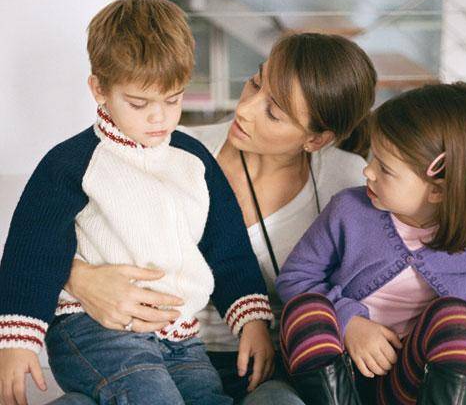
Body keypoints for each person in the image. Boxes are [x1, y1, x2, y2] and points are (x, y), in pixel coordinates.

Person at [62, 32, 378, 404]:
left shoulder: (345, 181)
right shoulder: (169, 149)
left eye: (273, 113)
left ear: (315, 140)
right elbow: (42, 237)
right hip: (151, 356)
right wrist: (79, 278)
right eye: (255, 83)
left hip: (269, 372)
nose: (244, 109)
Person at [0, 0, 275, 405]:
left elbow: (227, 247)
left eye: (173, 99)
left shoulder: (194, 160)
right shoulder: (70, 163)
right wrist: (17, 343)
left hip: (181, 339)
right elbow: (31, 252)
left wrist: (252, 321)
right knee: (152, 397)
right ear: (100, 90)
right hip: (93, 330)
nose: (159, 118)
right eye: (139, 103)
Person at [276, 82, 466, 405]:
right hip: (332, 368)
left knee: (457, 320)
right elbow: (294, 278)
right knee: (305, 310)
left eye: (385, 168)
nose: (367, 171)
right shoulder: (349, 211)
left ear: (438, 190)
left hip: (404, 383)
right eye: (372, 158)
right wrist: (349, 322)